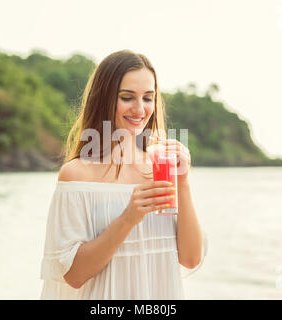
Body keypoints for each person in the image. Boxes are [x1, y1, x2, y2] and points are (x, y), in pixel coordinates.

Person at [40, 49, 207, 299]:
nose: (140, 109)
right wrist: (128, 218)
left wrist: (182, 182)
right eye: (127, 97)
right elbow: (73, 276)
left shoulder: (161, 169)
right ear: (104, 99)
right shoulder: (77, 174)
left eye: (148, 98)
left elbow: (191, 258)